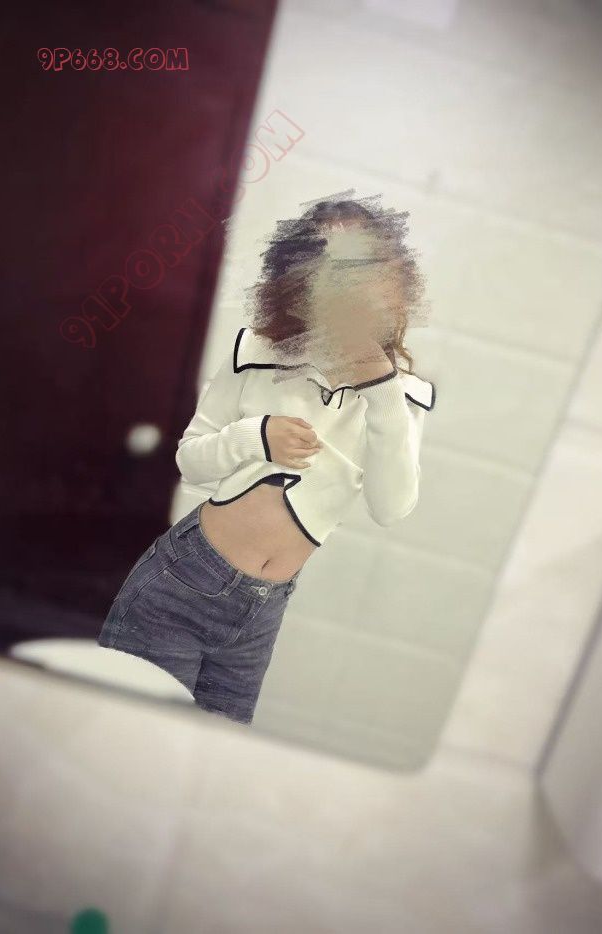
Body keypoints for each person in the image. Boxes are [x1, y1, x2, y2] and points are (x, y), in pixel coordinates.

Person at [97, 196, 436, 724]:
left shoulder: (402, 398)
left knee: (207, 755)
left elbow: (391, 508)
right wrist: (254, 437)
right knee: (128, 735)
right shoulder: (257, 353)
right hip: (182, 583)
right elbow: (190, 462)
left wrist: (383, 392)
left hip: (261, 613)